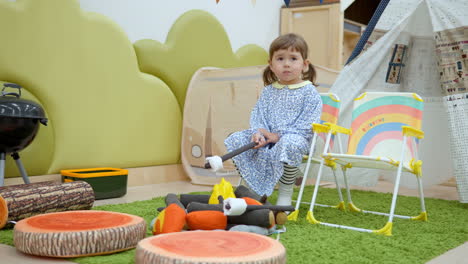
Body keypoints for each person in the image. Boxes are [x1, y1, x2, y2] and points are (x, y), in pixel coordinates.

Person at [224, 33, 322, 206]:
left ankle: (285, 190)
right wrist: (259, 133)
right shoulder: (268, 91)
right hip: (267, 139)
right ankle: (252, 188)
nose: (286, 64)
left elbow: (308, 124)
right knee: (238, 138)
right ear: (271, 64)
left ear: (304, 65)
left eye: (293, 58)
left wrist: (279, 136)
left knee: (289, 143)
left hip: (296, 139)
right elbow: (258, 115)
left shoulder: (309, 92)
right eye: (280, 58)